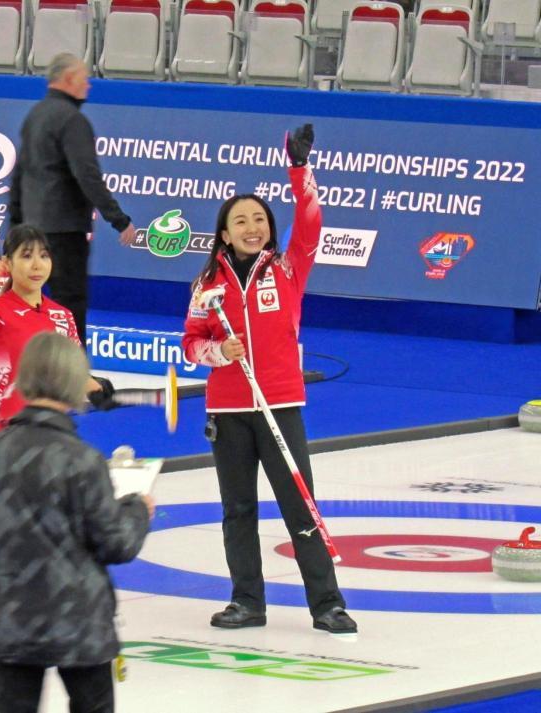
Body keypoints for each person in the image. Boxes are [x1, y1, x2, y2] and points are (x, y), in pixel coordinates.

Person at [181, 125, 357, 635]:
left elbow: (311, 220)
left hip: (279, 403)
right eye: (241, 220)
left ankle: (327, 605)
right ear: (224, 233)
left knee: (299, 505)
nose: (252, 226)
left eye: (259, 218)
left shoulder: (287, 267)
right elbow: (190, 344)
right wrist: (220, 350)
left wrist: (299, 169)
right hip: (229, 410)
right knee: (238, 510)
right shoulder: (205, 284)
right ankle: (246, 602)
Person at [0, 331, 153, 713]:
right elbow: (116, 543)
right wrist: (137, 510)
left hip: (9, 615)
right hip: (76, 616)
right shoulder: (81, 460)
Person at [8, 52, 136, 345]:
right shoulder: (73, 120)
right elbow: (87, 175)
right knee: (70, 305)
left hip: (32, 231)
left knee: (29, 300)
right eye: (84, 78)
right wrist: (119, 219)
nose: (89, 85)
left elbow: (19, 175)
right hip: (65, 231)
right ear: (67, 79)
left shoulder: (35, 115)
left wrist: (15, 227)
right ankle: (74, 377)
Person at [0, 224, 110, 436]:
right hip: (4, 434)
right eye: (27, 256)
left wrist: (98, 388)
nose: (37, 265)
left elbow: (71, 372)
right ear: (7, 264)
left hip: (53, 433)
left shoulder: (63, 315)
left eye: (44, 256)